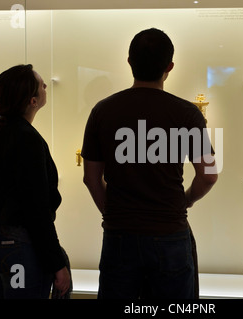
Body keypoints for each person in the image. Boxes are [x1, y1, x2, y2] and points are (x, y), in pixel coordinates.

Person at [82, 28, 218, 299]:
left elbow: (91, 178)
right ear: (169, 66)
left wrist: (113, 214)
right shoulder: (187, 113)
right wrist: (186, 200)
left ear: (130, 61)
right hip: (169, 232)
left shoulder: (103, 110)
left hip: (119, 235)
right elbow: (209, 175)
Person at [0, 64, 71, 299]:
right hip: (16, 246)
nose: (46, 86)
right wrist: (56, 263)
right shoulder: (26, 139)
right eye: (41, 84)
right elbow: (36, 209)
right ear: (32, 101)